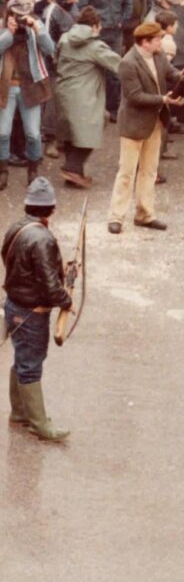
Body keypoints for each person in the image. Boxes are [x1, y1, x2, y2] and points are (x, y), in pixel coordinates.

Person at [2, 176, 73, 441]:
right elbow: (50, 288)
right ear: (51, 208)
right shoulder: (43, 239)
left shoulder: (16, 227)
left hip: (13, 305)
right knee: (31, 364)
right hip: (32, 313)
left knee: (22, 359)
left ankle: (19, 414)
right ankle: (39, 424)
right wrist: (67, 300)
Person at [106, 21, 184, 235]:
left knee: (149, 171)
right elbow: (135, 96)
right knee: (127, 172)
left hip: (154, 122)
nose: (161, 41)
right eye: (157, 39)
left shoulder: (157, 56)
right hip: (133, 124)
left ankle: (144, 214)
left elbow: (171, 73)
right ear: (145, 42)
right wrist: (164, 100)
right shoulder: (128, 63)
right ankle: (116, 217)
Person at [55, 5, 121, 186]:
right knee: (97, 123)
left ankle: (74, 175)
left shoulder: (64, 39)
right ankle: (72, 167)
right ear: (95, 26)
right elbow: (119, 66)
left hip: (63, 92)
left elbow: (55, 58)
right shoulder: (95, 46)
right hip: (84, 95)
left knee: (71, 132)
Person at [0, 0, 54, 190]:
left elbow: (50, 49)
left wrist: (37, 29)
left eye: (25, 15)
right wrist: (8, 33)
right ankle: (3, 171)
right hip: (6, 87)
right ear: (9, 14)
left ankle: (33, 170)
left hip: (30, 86)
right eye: (17, 15)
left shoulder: (35, 26)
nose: (21, 19)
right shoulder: (2, 27)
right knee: (2, 133)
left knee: (33, 134)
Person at [78, 0, 132, 117]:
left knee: (115, 71)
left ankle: (113, 108)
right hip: (96, 35)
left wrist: (122, 22)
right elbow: (83, 8)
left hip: (115, 33)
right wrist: (90, 28)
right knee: (93, 71)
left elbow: (128, 4)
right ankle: (93, 108)